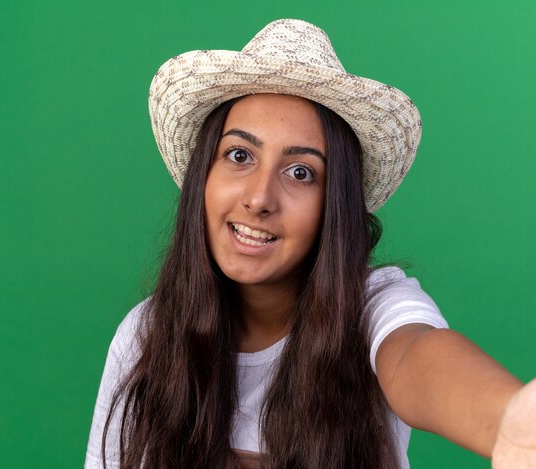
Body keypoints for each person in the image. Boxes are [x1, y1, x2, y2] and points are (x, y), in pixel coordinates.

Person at [84, 19, 536, 468]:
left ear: (332, 205)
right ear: (205, 173)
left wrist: (509, 421)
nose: (260, 198)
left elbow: (414, 355)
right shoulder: (147, 335)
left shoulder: (370, 307)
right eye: (239, 156)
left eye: (301, 172)